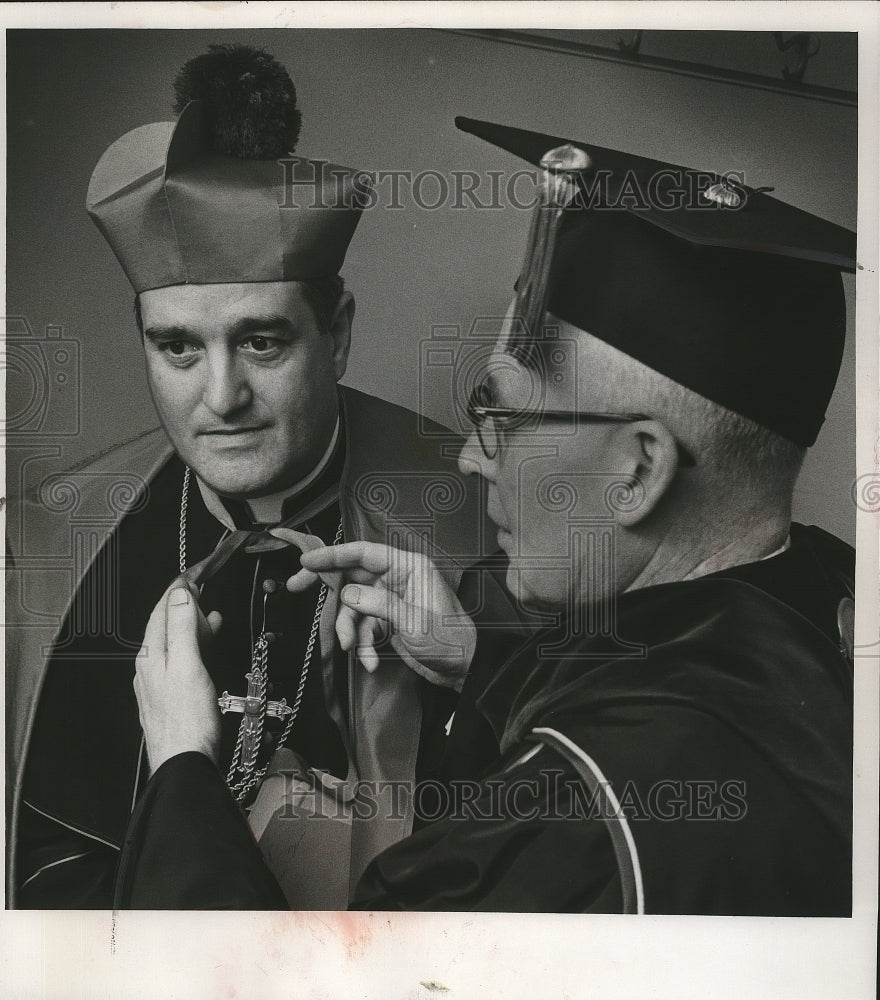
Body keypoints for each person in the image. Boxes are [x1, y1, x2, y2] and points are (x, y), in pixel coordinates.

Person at [111, 117, 856, 915]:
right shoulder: (830, 597)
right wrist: (480, 664)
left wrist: (183, 768)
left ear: (638, 467)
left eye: (503, 416)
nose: (469, 457)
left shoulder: (572, 832)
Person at [6, 50, 520, 909]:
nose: (221, 399)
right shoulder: (44, 543)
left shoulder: (484, 523)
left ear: (340, 332)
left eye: (261, 342)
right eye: (177, 347)